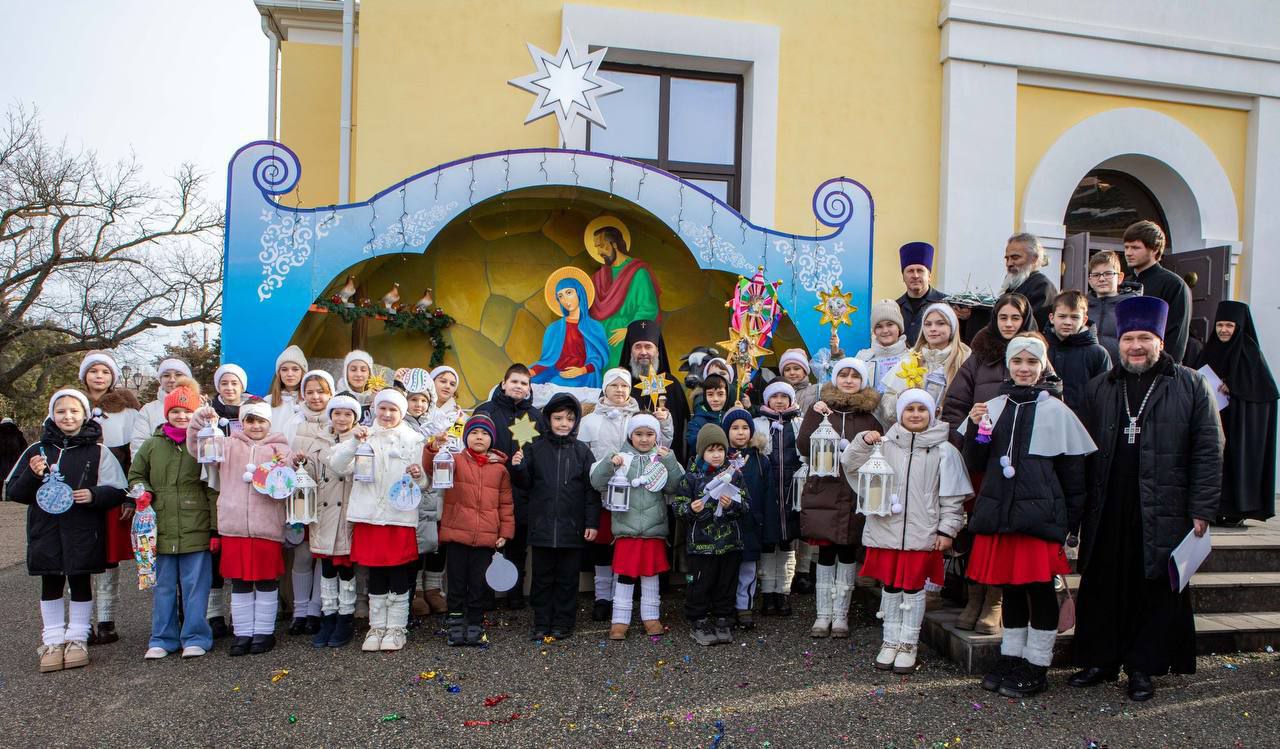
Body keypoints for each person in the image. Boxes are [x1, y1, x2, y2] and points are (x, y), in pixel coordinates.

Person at [1071, 296, 1222, 701]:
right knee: (1103, 582)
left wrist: (1202, 509)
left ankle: (1142, 666)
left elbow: (1209, 449)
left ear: (1160, 340)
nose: (1136, 346)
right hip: (1108, 502)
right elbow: (1081, 451)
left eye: (1145, 338)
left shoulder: (1190, 384)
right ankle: (1101, 659)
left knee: (1150, 586)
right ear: (1118, 342)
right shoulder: (1100, 386)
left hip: (1163, 504)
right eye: (1129, 339)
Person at [962, 333, 1095, 698]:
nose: (1024, 368)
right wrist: (975, 427)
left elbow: (1073, 474)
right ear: (1008, 365)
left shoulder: (1057, 410)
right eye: (1017, 362)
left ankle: (1037, 663)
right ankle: (1013, 655)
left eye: (1031, 362)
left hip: (1039, 518)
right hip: (1002, 515)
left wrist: (1071, 523)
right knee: (1012, 588)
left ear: (1042, 367)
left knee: (1039, 590)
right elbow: (975, 463)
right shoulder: (993, 406)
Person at [842, 389, 971, 673]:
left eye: (921, 409)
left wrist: (947, 530)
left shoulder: (944, 450)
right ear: (900, 414)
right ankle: (889, 640)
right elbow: (850, 464)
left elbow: (951, 496)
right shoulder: (884, 445)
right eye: (909, 409)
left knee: (913, 588)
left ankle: (908, 643)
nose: (915, 414)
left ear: (932, 413)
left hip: (921, 532)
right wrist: (862, 442)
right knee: (890, 587)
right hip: (886, 530)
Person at [4, 389, 127, 673]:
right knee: (50, 583)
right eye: (61, 411)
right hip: (45, 530)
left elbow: (117, 490)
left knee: (80, 581)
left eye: (74, 411)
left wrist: (94, 495)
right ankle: (53, 639)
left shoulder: (98, 451)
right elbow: (15, 492)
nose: (67, 416)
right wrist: (33, 475)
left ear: (84, 414)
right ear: (52, 415)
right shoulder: (36, 449)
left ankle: (77, 638)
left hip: (82, 529)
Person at [188, 398, 290, 657]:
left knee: (266, 580)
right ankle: (243, 632)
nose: (255, 426)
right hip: (234, 526)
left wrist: (286, 465)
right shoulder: (228, 445)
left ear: (269, 423)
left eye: (261, 421)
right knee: (240, 581)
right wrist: (198, 422)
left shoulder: (280, 449)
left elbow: (288, 481)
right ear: (242, 422)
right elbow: (197, 449)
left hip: (266, 526)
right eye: (250, 420)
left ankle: (264, 633)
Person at [330, 389, 430, 653]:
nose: (386, 414)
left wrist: (418, 474)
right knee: (375, 573)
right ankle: (376, 627)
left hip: (399, 517)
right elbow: (338, 466)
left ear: (402, 413)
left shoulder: (414, 439)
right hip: (370, 516)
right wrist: (354, 442)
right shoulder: (364, 434)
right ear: (375, 409)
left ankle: (396, 628)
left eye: (393, 410)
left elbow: (425, 482)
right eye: (382, 408)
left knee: (397, 573)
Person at [128, 378, 218, 660]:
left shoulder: (203, 442)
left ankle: (195, 636)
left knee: (195, 586)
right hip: (161, 525)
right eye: (175, 412)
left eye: (187, 412)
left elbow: (213, 486)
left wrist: (215, 528)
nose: (181, 417)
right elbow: (136, 475)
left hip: (196, 524)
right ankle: (162, 637)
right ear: (166, 414)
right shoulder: (152, 445)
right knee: (164, 586)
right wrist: (145, 493)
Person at [797, 357, 882, 639]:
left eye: (854, 376)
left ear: (862, 382)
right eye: (843, 375)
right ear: (834, 379)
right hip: (825, 491)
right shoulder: (822, 410)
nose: (848, 380)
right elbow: (804, 445)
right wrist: (813, 413)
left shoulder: (868, 418)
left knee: (848, 552)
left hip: (853, 493)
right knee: (826, 552)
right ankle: (822, 615)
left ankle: (841, 616)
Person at [510, 394, 600, 640]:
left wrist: (592, 522)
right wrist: (518, 468)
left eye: (569, 419)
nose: (563, 423)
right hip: (542, 528)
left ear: (576, 422)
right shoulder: (535, 449)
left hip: (572, 529)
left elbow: (591, 491)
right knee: (542, 579)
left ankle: (563, 621)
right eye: (558, 418)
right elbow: (524, 485)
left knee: (567, 580)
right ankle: (541, 621)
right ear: (548, 419)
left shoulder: (583, 452)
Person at [589, 414, 685, 640]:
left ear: (657, 436)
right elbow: (597, 483)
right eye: (639, 434)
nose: (644, 439)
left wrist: (670, 461)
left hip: (654, 530)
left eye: (650, 434)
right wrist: (609, 464)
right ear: (630, 435)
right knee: (625, 576)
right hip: (626, 530)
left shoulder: (662, 459)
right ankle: (619, 622)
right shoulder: (621, 457)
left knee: (650, 576)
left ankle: (651, 618)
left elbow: (676, 487)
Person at [430, 414, 514, 647]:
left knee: (478, 584)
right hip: (457, 535)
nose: (480, 437)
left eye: (485, 433)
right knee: (456, 583)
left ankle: (475, 623)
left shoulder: (500, 470)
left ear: (492, 440)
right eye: (475, 432)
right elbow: (431, 467)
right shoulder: (455, 460)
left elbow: (505, 504)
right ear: (466, 437)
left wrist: (505, 532)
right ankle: (455, 623)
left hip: (486, 538)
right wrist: (433, 448)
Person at [79, 351, 140, 646]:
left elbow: (133, 458)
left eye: (104, 371)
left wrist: (131, 496)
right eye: (93, 371)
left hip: (112, 492)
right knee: (80, 559)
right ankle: (82, 622)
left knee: (107, 559)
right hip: (76, 493)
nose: (99, 376)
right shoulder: (71, 405)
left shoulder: (126, 412)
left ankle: (106, 620)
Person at [1197, 301, 1277, 524]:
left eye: (1229, 325)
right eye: (1220, 325)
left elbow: (1263, 392)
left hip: (1239, 426)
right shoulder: (1209, 350)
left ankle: (1235, 512)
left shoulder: (1250, 354)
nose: (1223, 330)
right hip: (1213, 423)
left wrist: (1235, 386)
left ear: (1239, 327)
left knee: (1235, 466)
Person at [576, 368, 643, 622]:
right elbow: (584, 458)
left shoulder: (638, 419)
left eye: (624, 386)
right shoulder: (591, 421)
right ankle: (602, 597)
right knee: (602, 547)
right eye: (614, 386)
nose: (619, 390)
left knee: (623, 545)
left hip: (632, 495)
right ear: (605, 389)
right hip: (602, 494)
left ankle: (620, 597)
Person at [475, 363, 541, 610]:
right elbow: (473, 442)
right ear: (503, 384)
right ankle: (485, 595)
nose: (519, 387)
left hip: (522, 490)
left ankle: (515, 594)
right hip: (490, 488)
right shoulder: (487, 411)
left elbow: (539, 452)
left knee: (517, 543)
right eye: (514, 381)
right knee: (489, 543)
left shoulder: (535, 417)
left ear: (529, 388)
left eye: (524, 383)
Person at [674, 424, 747, 646]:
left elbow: (745, 505)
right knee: (700, 583)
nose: (716, 455)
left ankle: (723, 618)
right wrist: (691, 509)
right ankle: (699, 620)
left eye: (720, 450)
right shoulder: (690, 478)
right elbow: (678, 508)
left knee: (726, 582)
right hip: (701, 545)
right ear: (701, 452)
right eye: (710, 450)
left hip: (729, 543)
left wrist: (731, 505)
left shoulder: (734, 475)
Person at [306, 393, 361, 648]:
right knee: (326, 568)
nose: (341, 418)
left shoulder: (361, 441)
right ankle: (328, 615)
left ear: (355, 418)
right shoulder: (319, 441)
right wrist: (301, 464)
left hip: (347, 511)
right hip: (323, 511)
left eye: (348, 414)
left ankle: (345, 617)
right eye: (337, 413)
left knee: (345, 567)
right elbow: (312, 474)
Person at [283, 368, 332, 637]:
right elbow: (282, 452)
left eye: (321, 392)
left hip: (327, 496)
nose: (315, 397)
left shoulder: (335, 420)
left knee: (321, 553)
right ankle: (299, 610)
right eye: (310, 392)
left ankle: (315, 608)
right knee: (302, 554)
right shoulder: (294, 421)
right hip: (301, 496)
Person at [205, 362, 251, 640]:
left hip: (245, 487)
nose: (230, 388)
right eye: (225, 383)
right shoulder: (209, 413)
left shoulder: (253, 413)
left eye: (234, 383)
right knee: (214, 554)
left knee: (237, 555)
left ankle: (239, 613)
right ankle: (213, 614)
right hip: (216, 486)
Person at [753, 381, 802, 617]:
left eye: (785, 396)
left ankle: (783, 593)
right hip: (768, 492)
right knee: (768, 542)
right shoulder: (759, 424)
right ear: (767, 400)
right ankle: (768, 593)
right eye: (775, 396)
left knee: (787, 543)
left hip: (792, 491)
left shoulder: (799, 424)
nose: (780, 400)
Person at [881, 303, 971, 428]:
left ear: (952, 327)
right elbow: (887, 409)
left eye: (940, 323)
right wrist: (902, 397)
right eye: (928, 324)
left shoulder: (966, 361)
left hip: (951, 436)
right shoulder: (909, 359)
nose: (933, 329)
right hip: (912, 437)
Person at [722, 407, 772, 629]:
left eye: (745, 428)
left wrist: (766, 524)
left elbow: (769, 494)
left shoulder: (760, 461)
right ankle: (726, 606)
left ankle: (744, 606)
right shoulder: (720, 458)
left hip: (751, 522)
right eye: (734, 428)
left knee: (748, 569)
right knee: (727, 568)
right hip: (725, 524)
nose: (740, 433)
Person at [587, 222, 661, 368]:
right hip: (601, 340)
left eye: (601, 246)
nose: (598, 252)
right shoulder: (599, 276)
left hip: (624, 338)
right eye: (596, 248)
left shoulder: (638, 273)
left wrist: (628, 330)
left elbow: (648, 308)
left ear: (614, 244)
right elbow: (590, 308)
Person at [618, 319, 689, 463]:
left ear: (657, 350)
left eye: (648, 347)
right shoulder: (620, 382)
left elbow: (683, 429)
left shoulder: (671, 384)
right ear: (630, 350)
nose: (643, 352)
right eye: (638, 347)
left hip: (663, 464)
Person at [1123, 220, 1192, 363]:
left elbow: (1176, 335)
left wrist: (1165, 369)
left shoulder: (1174, 284)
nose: (1128, 253)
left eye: (1135, 248)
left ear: (1154, 249)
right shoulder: (1124, 284)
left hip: (1158, 367)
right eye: (1126, 247)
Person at [530, 269, 611, 387]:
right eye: (560, 296)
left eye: (569, 293)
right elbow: (548, 361)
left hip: (584, 376)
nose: (565, 300)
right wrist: (530, 372)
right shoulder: (553, 329)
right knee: (526, 382)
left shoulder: (595, 327)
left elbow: (599, 359)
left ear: (579, 293)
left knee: (554, 386)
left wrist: (581, 370)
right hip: (558, 374)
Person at [1045, 290, 1112, 417]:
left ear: (1084, 320)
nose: (1068, 322)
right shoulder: (1042, 348)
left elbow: (1106, 396)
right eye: (1062, 316)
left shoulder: (1097, 353)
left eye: (1075, 317)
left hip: (1084, 424)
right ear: (1052, 318)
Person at [1085, 250, 1141, 365]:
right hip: (1087, 371)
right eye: (1096, 275)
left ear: (1120, 277)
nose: (1101, 279)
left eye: (1108, 274)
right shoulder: (1082, 307)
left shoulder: (1133, 306)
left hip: (1121, 372)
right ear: (1090, 280)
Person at [130, 358, 193, 455]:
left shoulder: (200, 407)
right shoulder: (148, 410)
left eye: (178, 375)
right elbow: (138, 444)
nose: (172, 379)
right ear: (160, 380)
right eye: (166, 375)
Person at [1001, 234, 1059, 331]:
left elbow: (1033, 326)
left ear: (1034, 258)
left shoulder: (1043, 286)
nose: (1009, 264)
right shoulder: (1015, 284)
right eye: (1007, 259)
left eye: (1015, 258)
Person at [894, 242, 949, 346]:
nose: (915, 275)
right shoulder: (895, 307)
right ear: (903, 277)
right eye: (910, 271)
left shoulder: (946, 304)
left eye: (920, 271)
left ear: (929, 276)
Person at [855, 300, 909, 394]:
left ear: (899, 327)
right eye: (879, 326)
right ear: (874, 331)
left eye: (890, 324)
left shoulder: (912, 358)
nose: (885, 330)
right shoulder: (862, 358)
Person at [685, 374, 732, 460]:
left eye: (720, 394)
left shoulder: (731, 417)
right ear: (704, 396)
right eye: (710, 394)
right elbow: (694, 443)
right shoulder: (697, 421)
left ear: (727, 395)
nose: (715, 399)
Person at [267, 345, 308, 429]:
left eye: (295, 369)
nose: (289, 374)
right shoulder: (268, 401)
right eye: (284, 369)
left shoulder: (310, 400)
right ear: (279, 373)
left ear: (303, 372)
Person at [777, 348, 820, 413]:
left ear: (805, 372)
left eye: (796, 369)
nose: (792, 372)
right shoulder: (777, 394)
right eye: (787, 370)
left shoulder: (817, 390)